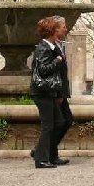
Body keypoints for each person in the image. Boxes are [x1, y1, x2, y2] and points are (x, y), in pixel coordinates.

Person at [30, 15, 74, 169]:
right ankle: (41, 158)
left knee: (60, 122)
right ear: (54, 30)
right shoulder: (43, 47)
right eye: (63, 27)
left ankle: (47, 154)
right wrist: (57, 61)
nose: (65, 29)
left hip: (51, 92)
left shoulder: (54, 46)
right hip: (43, 92)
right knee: (50, 125)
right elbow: (42, 70)